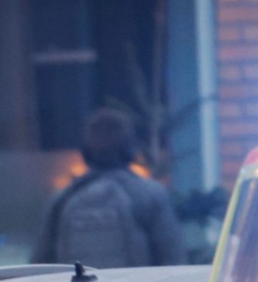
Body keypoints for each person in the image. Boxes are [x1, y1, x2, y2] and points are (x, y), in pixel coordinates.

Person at [31, 107, 184, 269]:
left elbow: (39, 264)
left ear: (86, 153)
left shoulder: (63, 199)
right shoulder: (150, 194)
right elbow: (173, 260)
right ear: (129, 150)